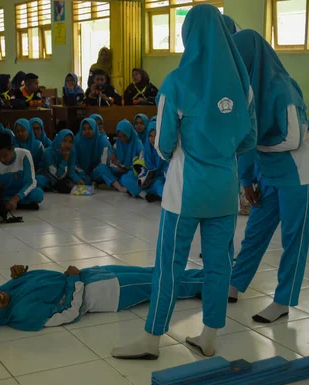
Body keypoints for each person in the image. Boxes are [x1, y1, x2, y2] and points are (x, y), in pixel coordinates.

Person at [112, 4, 257, 360]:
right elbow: (248, 139)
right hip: (224, 191)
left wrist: (183, 147)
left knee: (170, 265)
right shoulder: (242, 85)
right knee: (219, 264)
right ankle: (209, 335)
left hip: (185, 191)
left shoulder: (177, 81)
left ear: (188, 35)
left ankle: (151, 340)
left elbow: (162, 147)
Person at [227, 29, 309, 325]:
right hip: (269, 174)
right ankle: (234, 284)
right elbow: (246, 139)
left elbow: (292, 138)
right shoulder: (247, 91)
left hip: (300, 174)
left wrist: (254, 142)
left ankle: (283, 300)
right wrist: (247, 181)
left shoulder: (283, 89)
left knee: (294, 240)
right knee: (255, 232)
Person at [0, 264, 204, 331]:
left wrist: (20, 274)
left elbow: (40, 281)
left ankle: (206, 275)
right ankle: (211, 284)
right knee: (158, 284)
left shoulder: (12, 289)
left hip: (96, 273)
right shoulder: (23, 315)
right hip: (107, 291)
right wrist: (74, 281)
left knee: (152, 272)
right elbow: (69, 313)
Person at [0, 133, 44, 211]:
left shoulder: (24, 155)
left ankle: (10, 204)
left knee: (38, 194)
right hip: (2, 195)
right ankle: (20, 204)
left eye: (5, 156)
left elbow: (31, 182)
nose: (2, 160)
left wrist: (16, 198)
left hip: (21, 192)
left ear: (12, 149)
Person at [120, 121, 167, 202]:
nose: (153, 139)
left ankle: (146, 192)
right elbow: (141, 166)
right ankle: (145, 195)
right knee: (125, 178)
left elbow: (166, 172)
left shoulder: (166, 151)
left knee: (159, 187)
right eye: (151, 136)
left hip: (158, 180)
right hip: (145, 181)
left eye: (156, 136)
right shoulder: (146, 150)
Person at [105, 119, 143, 193]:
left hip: (132, 172)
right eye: (119, 136)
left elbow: (141, 165)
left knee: (126, 178)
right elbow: (111, 163)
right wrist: (116, 165)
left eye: (125, 136)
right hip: (119, 171)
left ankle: (118, 181)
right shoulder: (117, 144)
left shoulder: (138, 145)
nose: (122, 139)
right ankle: (118, 185)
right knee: (101, 167)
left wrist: (128, 168)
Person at [73, 118, 113, 186]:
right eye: (84, 129)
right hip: (81, 173)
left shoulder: (101, 140)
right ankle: (90, 181)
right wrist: (83, 173)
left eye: (90, 128)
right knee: (72, 172)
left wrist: (94, 172)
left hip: (96, 172)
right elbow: (74, 162)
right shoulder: (77, 141)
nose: (87, 131)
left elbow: (104, 162)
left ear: (95, 128)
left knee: (103, 170)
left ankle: (92, 180)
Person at [37, 129, 79, 193]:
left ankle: (56, 186)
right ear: (59, 140)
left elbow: (71, 170)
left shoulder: (71, 150)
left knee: (83, 178)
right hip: (48, 175)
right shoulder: (48, 152)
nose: (67, 144)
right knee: (40, 180)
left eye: (70, 142)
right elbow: (57, 175)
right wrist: (65, 160)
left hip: (63, 175)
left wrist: (78, 180)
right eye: (64, 141)